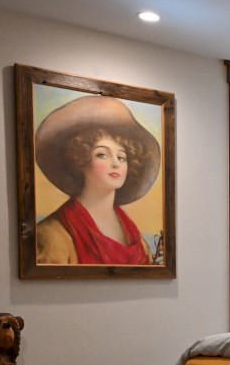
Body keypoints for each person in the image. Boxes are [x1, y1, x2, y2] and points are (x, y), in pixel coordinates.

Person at [33, 95, 161, 265]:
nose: (115, 163)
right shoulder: (53, 234)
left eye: (122, 157)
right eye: (102, 154)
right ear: (81, 159)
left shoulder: (136, 238)